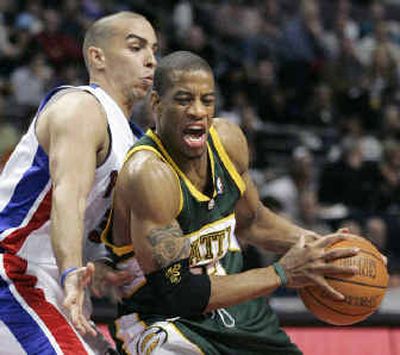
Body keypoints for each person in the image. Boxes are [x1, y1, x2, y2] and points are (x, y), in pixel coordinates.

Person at [103, 51, 360, 354]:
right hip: (163, 319)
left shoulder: (227, 141)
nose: (198, 111)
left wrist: (326, 250)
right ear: (157, 104)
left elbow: (253, 222)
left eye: (207, 100)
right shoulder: (149, 174)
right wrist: (281, 273)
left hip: (237, 314)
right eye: (184, 99)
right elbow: (177, 292)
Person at [0, 11, 157, 354]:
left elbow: (96, 220)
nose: (151, 60)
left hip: (57, 280)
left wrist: (99, 263)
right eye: (136, 47)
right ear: (96, 56)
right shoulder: (81, 107)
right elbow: (67, 198)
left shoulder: (134, 139)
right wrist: (72, 269)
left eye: (154, 50)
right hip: (14, 269)